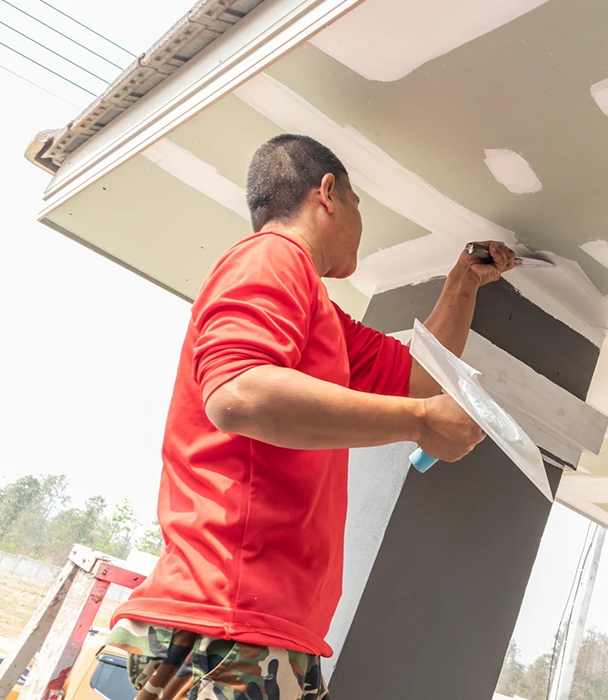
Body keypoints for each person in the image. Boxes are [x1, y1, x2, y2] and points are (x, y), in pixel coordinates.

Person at [103, 134, 517, 700]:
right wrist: (420, 421)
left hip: (259, 633)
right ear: (328, 193)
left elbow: (421, 377)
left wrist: (463, 282)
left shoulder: (319, 312)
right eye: (359, 206)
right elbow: (238, 392)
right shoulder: (271, 257)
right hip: (223, 626)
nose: (361, 224)